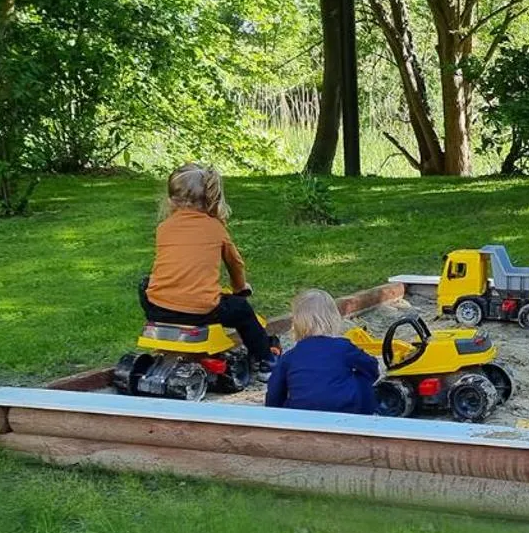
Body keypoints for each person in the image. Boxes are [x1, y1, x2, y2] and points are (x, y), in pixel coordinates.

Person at [140, 164, 277, 377]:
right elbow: (235, 264)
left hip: (157, 307)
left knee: (145, 282)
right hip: (201, 310)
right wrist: (240, 288)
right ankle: (266, 361)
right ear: (210, 198)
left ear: (170, 200)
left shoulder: (163, 228)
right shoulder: (216, 228)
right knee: (242, 311)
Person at [264, 288, 379, 414]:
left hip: (301, 414)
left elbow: (274, 393)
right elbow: (371, 367)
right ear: (333, 318)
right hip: (345, 410)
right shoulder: (343, 347)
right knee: (362, 380)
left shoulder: (290, 356)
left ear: (296, 323)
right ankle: (366, 416)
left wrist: (277, 413)